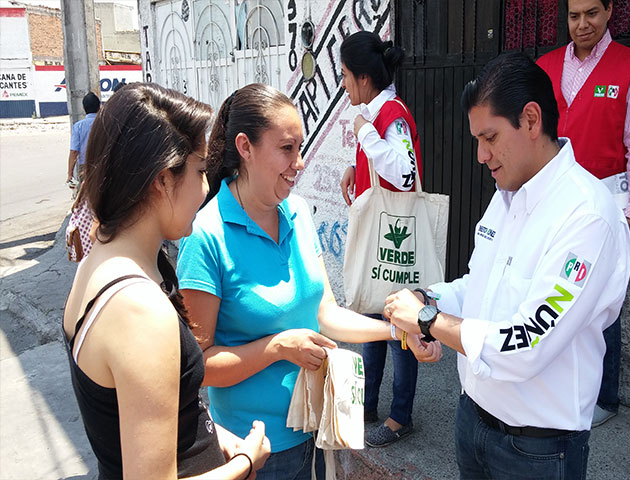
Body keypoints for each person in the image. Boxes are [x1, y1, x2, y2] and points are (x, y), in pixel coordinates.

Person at [383, 52, 630, 479]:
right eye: (477, 140)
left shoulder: (586, 216)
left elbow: (528, 343)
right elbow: (477, 286)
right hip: (472, 419)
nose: (481, 155)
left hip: (537, 449)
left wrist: (428, 321)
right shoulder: (507, 196)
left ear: (531, 120)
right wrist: (428, 298)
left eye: (490, 137)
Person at [176, 83, 439, 480]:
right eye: (287, 148)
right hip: (252, 450)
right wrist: (277, 348)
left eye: (300, 148)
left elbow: (325, 313)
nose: (299, 163)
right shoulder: (205, 236)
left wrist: (399, 332)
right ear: (245, 147)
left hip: (315, 430)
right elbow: (199, 368)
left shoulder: (297, 212)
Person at [62, 82, 271, 480]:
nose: (206, 188)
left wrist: (215, 435)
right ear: (162, 179)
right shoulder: (140, 311)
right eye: (199, 171)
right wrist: (246, 461)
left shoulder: (100, 259)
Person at [536, 0, 630, 427]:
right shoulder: (546, 67)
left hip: (606, 206)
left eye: (591, 13)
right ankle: (554, 385)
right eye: (574, 16)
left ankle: (604, 397)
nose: (582, 24)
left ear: (609, 11)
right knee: (551, 293)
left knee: (602, 302)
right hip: (552, 201)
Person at [338, 30, 423, 448]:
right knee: (373, 318)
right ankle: (369, 404)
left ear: (364, 78)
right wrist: (355, 167)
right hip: (382, 235)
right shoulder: (377, 112)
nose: (343, 85)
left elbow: (405, 173)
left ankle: (400, 416)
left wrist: (364, 134)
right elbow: (383, 165)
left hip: (395, 239)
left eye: (345, 75)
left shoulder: (390, 113)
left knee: (400, 322)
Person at [66, 92, 100, 187]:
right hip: (103, 165)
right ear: (99, 107)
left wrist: (70, 174)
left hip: (85, 168)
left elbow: (74, 151)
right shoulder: (106, 123)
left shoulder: (78, 127)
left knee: (85, 193)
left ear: (84, 108)